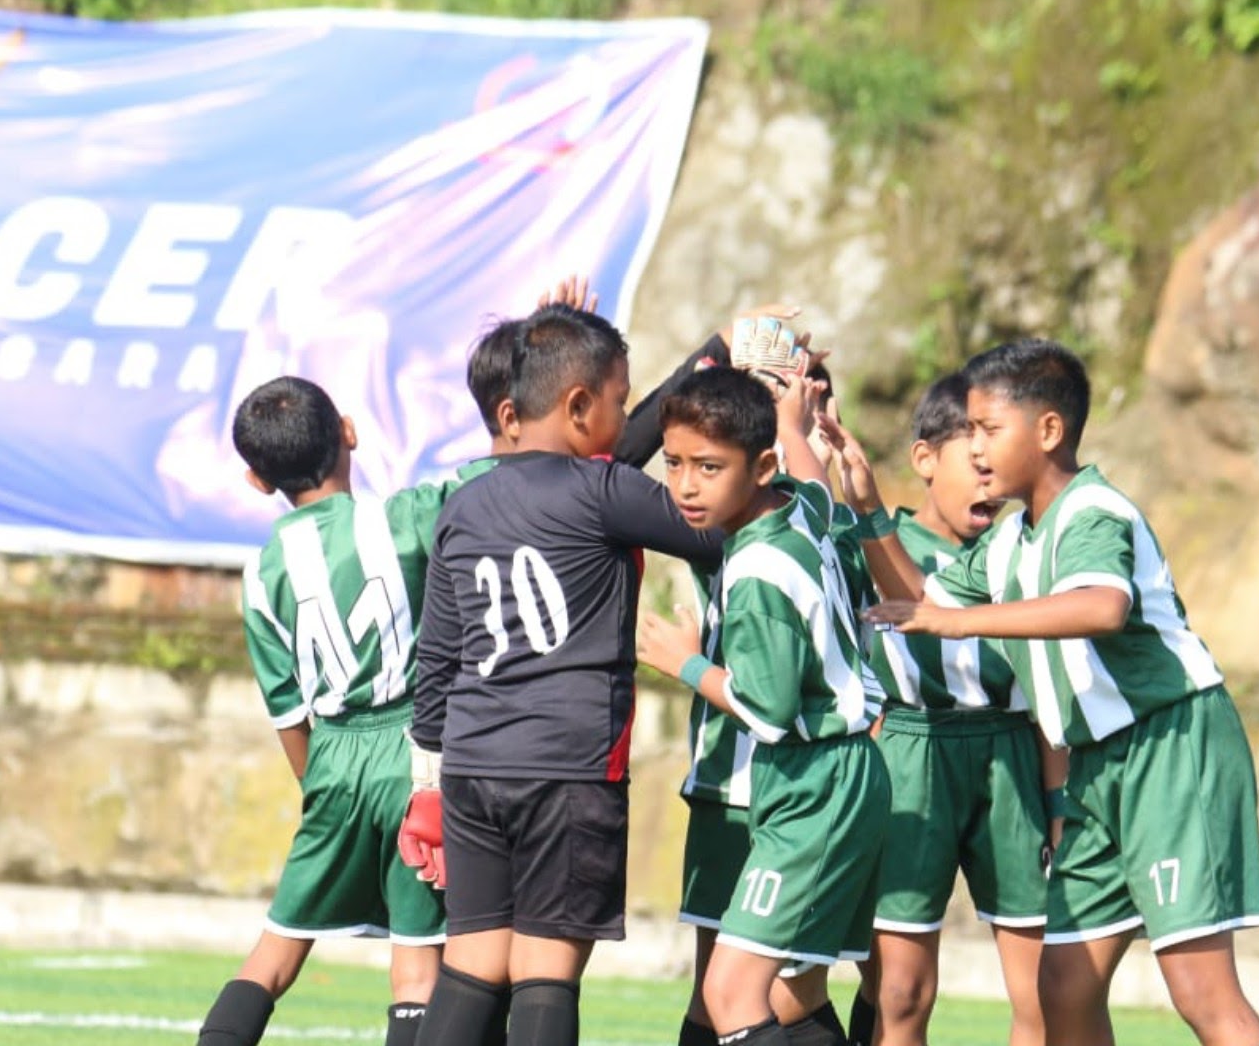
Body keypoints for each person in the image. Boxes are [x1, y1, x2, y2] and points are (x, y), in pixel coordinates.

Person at [825, 339, 1259, 1046]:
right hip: (1099, 766)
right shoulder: (1011, 541)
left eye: (988, 428)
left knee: (1202, 993)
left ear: (1048, 430)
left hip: (1169, 745)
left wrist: (958, 621)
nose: (976, 448)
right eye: (969, 431)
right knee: (1063, 987)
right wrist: (868, 508)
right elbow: (923, 601)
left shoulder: (1093, 511)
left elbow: (1101, 606)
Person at [403, 305, 726, 1046]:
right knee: (545, 971)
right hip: (568, 767)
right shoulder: (604, 491)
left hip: (473, 766)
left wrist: (428, 785)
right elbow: (715, 529)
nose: (626, 418)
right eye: (620, 401)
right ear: (580, 407)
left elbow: (438, 659)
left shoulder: (463, 503)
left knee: (472, 962)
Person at [637, 365, 889, 1046]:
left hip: (815, 780)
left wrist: (687, 663)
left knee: (732, 993)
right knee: (771, 994)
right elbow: (811, 479)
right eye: (675, 463)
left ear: (762, 466)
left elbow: (768, 711)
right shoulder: (798, 508)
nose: (686, 485)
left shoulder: (755, 573)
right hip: (828, 775)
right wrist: (789, 419)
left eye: (709, 467)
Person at [196, 376, 449, 1046]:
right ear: (349, 432)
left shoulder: (260, 574)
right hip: (417, 755)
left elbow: (287, 713)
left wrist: (324, 790)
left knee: (274, 954)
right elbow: (507, 476)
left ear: (257, 481)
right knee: (418, 970)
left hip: (332, 756)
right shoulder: (408, 517)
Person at [844, 373, 1048, 1046]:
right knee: (900, 990)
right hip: (914, 748)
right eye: (975, 461)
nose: (990, 479)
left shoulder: (1025, 544)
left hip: (1012, 751)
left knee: (1043, 991)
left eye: (998, 462)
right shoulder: (874, 544)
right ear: (925, 459)